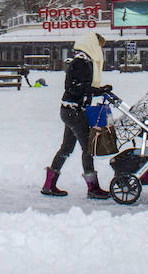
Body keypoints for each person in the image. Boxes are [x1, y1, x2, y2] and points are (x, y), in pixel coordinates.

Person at [41, 32, 111, 199]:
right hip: (74, 111)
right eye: (99, 45)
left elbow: (79, 88)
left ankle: (49, 185)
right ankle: (93, 188)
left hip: (70, 109)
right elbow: (78, 88)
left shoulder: (81, 61)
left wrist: (97, 91)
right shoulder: (81, 63)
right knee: (88, 148)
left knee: (66, 148)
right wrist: (100, 90)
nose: (100, 49)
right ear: (92, 45)